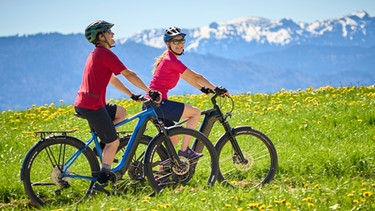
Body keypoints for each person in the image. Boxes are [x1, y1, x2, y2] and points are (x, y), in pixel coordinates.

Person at [74, 20, 160, 184]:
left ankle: (102, 146)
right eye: (109, 32)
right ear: (101, 36)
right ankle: (103, 177)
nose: (113, 34)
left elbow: (112, 79)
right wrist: (149, 91)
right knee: (114, 142)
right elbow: (128, 74)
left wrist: (132, 95)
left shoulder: (96, 54)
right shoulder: (104, 54)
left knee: (121, 113)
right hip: (91, 105)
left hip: (88, 102)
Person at [148, 26, 228, 158]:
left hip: (155, 104)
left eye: (182, 41)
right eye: (175, 41)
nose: (179, 44)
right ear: (168, 43)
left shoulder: (169, 59)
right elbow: (196, 76)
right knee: (195, 113)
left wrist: (202, 89)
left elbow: (185, 76)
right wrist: (216, 89)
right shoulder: (170, 61)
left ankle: (161, 174)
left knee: (174, 139)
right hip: (158, 104)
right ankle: (185, 150)